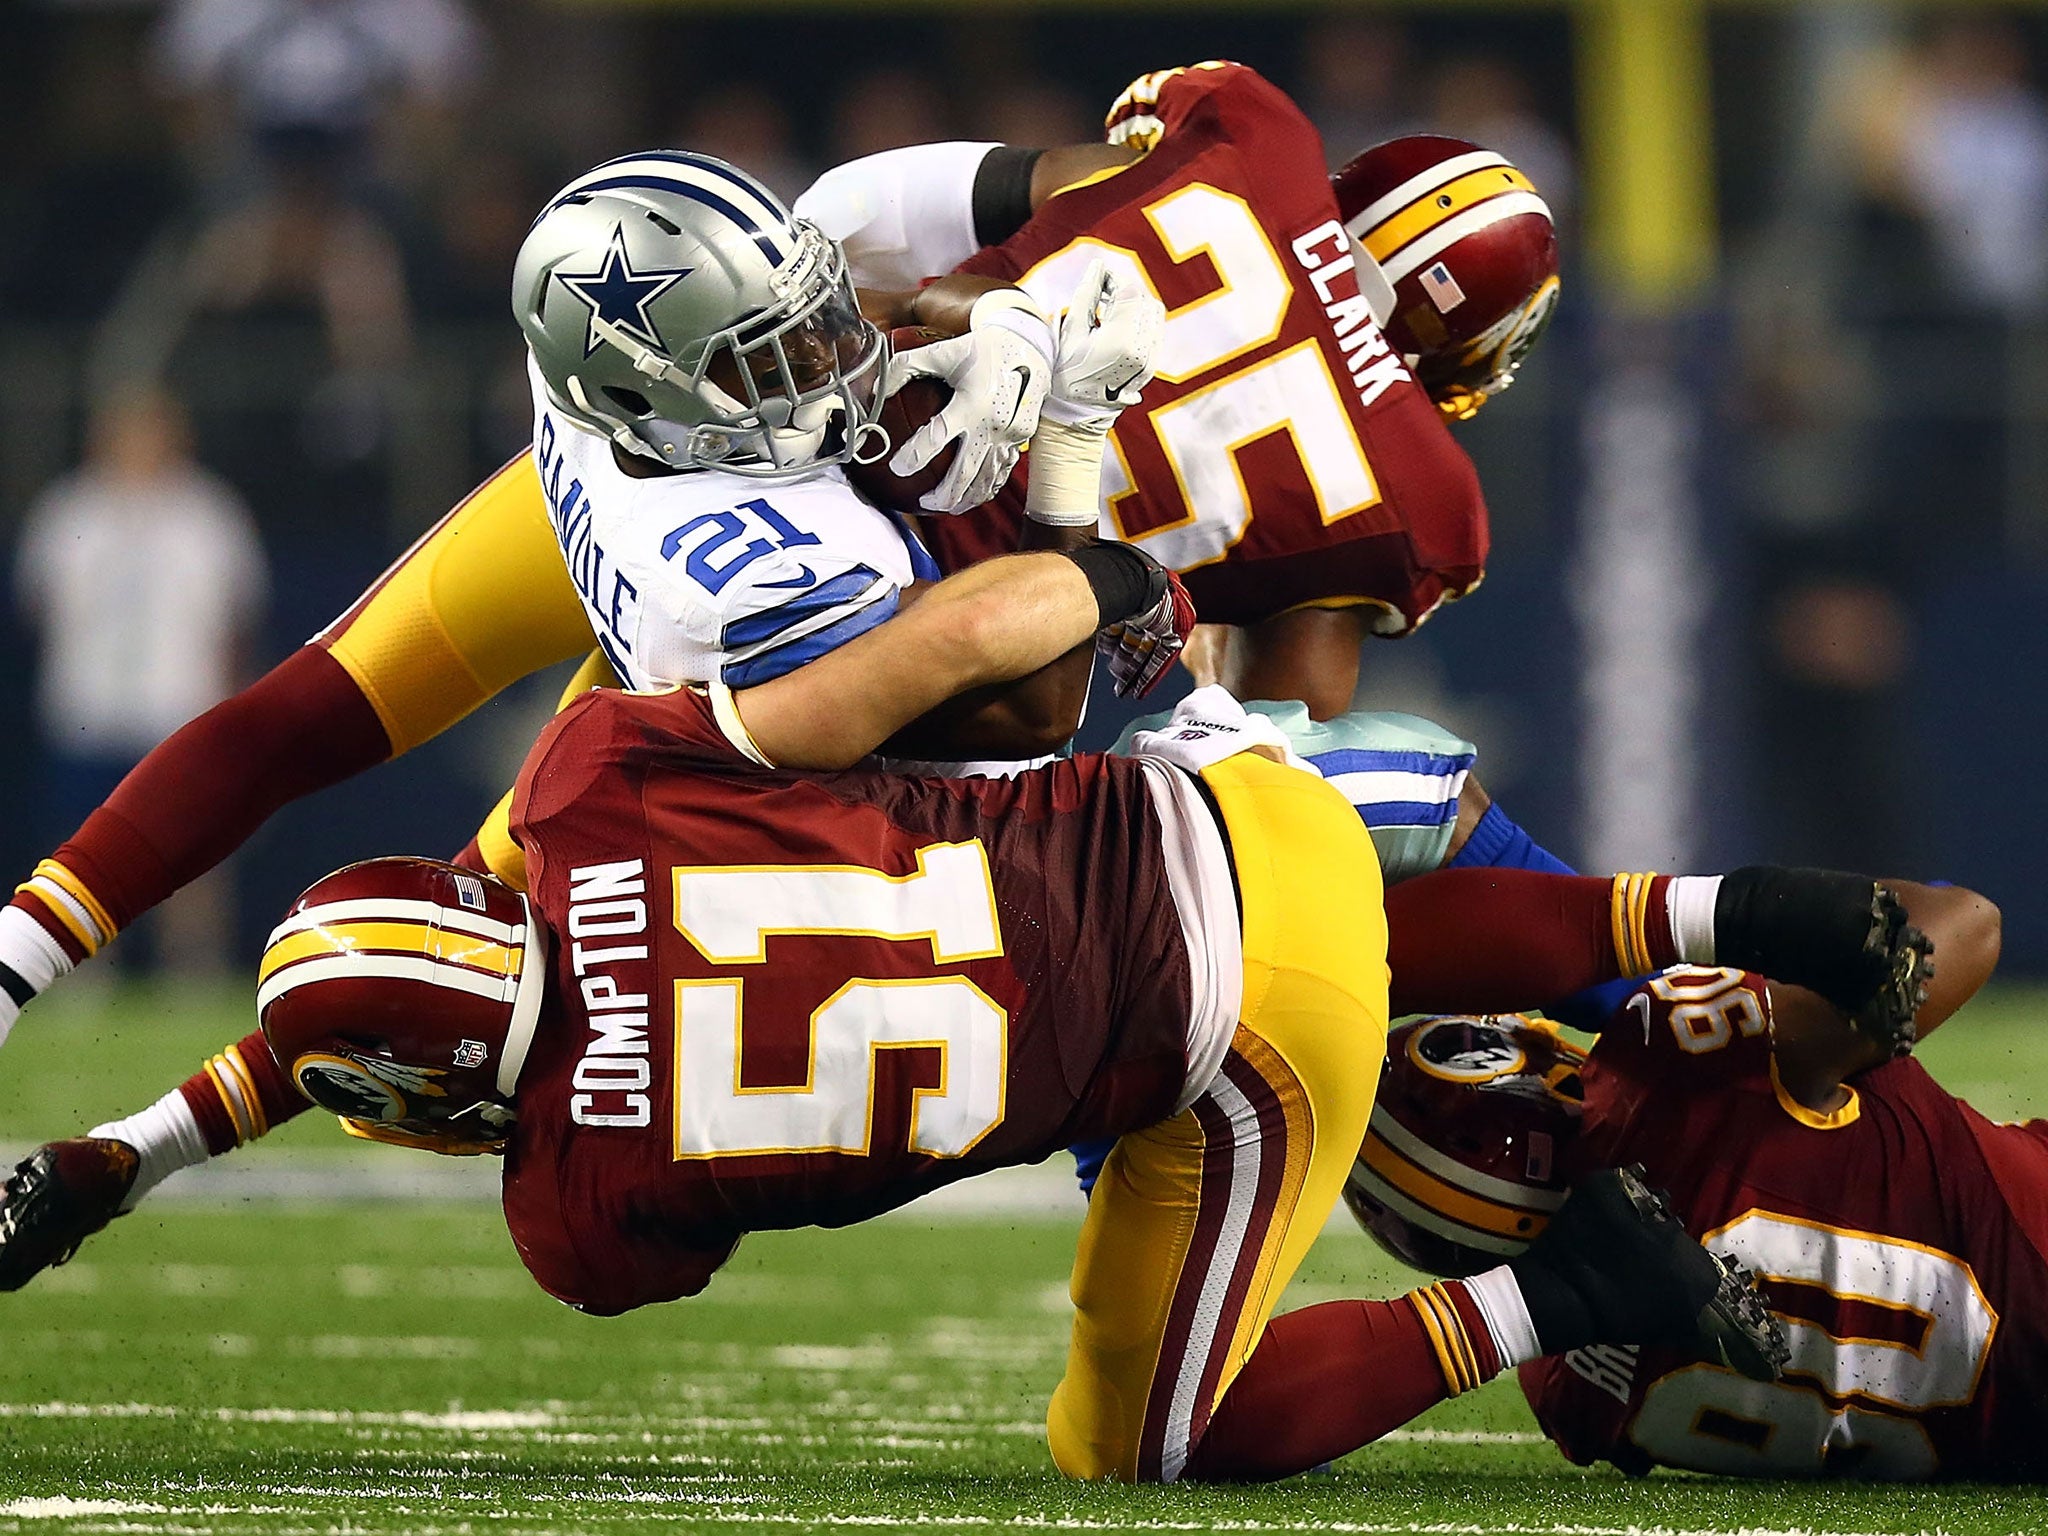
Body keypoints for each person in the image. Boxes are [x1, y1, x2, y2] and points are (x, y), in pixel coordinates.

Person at [235, 541, 1947, 1483]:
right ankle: (1717, 908)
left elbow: (673, 1180)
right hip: (1213, 806)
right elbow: (953, 638)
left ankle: (1557, 1292)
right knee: (1362, 848)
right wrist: (1102, 590)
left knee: (1140, 1439)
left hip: (1220, 1054)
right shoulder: (594, 776)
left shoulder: (573, 1220)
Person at [0, 147, 1158, 1231]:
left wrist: (976, 309)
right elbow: (1025, 713)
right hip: (694, 652)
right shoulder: (777, 571)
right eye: (774, 357)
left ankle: (115, 1130)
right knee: (446, 939)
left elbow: (976, 225)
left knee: (324, 761)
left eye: (813, 325)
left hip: (600, 522)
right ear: (658, 391)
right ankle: (119, 1127)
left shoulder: (622, 340)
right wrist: (1061, 439)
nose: (830, 362)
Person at [796, 60, 1562, 720]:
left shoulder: (1255, 135)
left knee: (841, 225)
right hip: (923, 622)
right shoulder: (1422, 500)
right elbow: (1270, 737)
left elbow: (874, 212)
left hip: (808, 418)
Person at [1346, 881, 2048, 1480]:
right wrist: (1801, 918)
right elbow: (1968, 925)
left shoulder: (1565, 1393)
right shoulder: (1678, 1067)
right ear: (1513, 1073)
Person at [13, 386, 269, 976]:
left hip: (177, 704)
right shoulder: (70, 509)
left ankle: (193, 964)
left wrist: (233, 708)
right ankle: (82, 969)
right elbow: (37, 605)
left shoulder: (208, 513)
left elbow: (238, 616)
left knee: (190, 849)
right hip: (90, 706)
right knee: (85, 846)